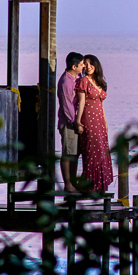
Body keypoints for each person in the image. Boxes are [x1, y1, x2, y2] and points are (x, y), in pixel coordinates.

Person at [75, 54, 113, 193]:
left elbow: (101, 104)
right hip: (88, 119)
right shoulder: (83, 81)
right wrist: (78, 121)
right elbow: (81, 102)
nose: (89, 66)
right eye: (86, 64)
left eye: (91, 64)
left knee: (102, 152)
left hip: (100, 122)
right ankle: (90, 186)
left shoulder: (100, 82)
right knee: (92, 151)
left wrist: (105, 121)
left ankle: (100, 186)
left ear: (96, 65)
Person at [57, 51, 84, 193]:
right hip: (69, 123)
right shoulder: (66, 82)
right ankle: (68, 184)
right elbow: (67, 106)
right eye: (81, 64)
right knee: (68, 153)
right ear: (74, 66)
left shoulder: (77, 77)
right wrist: (75, 123)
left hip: (75, 122)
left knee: (75, 153)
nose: (83, 66)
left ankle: (73, 183)